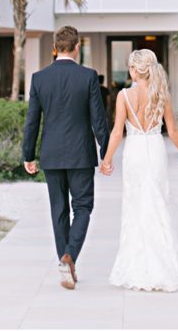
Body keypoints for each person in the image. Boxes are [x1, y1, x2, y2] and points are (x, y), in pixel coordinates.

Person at [22, 25, 109, 291]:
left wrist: (28, 154)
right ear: (77, 47)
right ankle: (69, 257)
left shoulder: (39, 78)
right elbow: (99, 120)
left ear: (55, 47)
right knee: (82, 208)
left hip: (51, 155)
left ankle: (65, 261)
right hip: (81, 154)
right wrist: (106, 153)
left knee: (58, 209)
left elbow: (32, 122)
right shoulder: (88, 76)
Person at [100, 48, 178, 292]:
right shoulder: (161, 94)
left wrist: (106, 159)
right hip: (154, 148)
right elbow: (172, 131)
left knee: (136, 206)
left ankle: (137, 268)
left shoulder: (124, 96)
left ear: (133, 69)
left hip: (135, 152)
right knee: (158, 203)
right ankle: (163, 269)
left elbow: (118, 132)